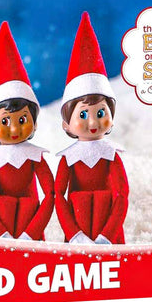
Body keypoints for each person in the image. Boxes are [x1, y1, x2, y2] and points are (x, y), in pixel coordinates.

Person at [0, 22, 54, 240]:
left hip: (32, 230)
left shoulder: (36, 157)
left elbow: (51, 193)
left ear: (35, 123)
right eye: (4, 121)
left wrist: (32, 232)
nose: (14, 128)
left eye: (22, 119)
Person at [55, 13, 128, 245]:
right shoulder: (68, 158)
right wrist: (74, 234)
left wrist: (108, 235)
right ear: (66, 123)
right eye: (84, 115)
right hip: (77, 233)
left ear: (112, 118)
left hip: (110, 235)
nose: (94, 123)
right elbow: (59, 196)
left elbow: (122, 195)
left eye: (101, 113)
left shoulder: (111, 155)